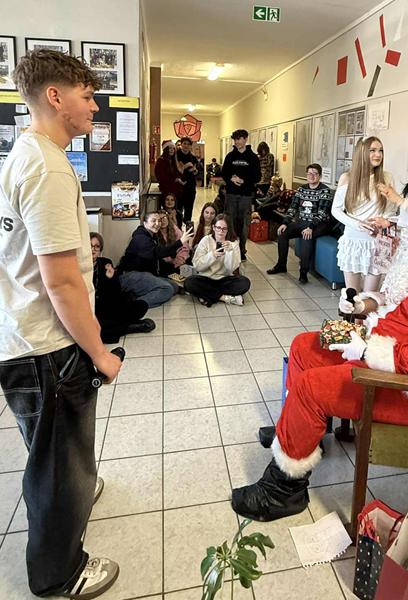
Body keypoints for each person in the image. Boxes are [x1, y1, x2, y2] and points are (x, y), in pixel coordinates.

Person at [231, 197, 408, 522]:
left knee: (310, 387)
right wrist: (362, 305)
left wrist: (366, 351)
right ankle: (300, 433)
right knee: (304, 346)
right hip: (385, 350)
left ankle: (283, 491)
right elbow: (397, 306)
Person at [0, 49, 122, 598]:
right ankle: (59, 574)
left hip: (22, 334)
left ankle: (75, 488)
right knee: (57, 463)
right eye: (87, 96)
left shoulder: (25, 153)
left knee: (49, 448)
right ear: (55, 96)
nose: (94, 107)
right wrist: (99, 353)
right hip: (46, 344)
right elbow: (63, 280)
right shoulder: (47, 167)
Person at [331, 137, 397, 293]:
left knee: (370, 297)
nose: (378, 155)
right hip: (353, 241)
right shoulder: (347, 178)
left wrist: (382, 222)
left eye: (380, 151)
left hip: (379, 242)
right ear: (362, 153)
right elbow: (336, 210)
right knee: (352, 296)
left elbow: (391, 210)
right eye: (372, 150)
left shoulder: (387, 177)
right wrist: (357, 224)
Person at [267, 164, 334, 284]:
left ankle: (303, 272)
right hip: (302, 222)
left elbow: (322, 213)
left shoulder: (325, 191)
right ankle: (281, 265)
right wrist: (285, 223)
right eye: (309, 173)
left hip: (320, 225)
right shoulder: (301, 189)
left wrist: (310, 227)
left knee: (306, 236)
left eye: (315, 174)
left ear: (320, 176)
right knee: (283, 233)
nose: (311, 176)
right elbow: (293, 208)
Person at [117, 211, 193, 307]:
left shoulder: (151, 236)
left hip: (146, 274)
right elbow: (157, 253)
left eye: (159, 220)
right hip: (131, 275)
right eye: (153, 221)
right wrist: (180, 242)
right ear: (145, 223)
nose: (157, 224)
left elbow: (158, 260)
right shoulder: (140, 238)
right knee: (167, 289)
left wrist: (175, 264)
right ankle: (135, 306)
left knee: (174, 286)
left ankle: (134, 294)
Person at [90, 233, 156, 343]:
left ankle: (119, 325)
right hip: (91, 309)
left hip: (108, 306)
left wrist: (111, 278)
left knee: (141, 306)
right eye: (90, 246)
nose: (93, 249)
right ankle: (129, 328)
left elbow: (115, 292)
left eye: (97, 246)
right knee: (93, 327)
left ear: (100, 249)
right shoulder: (79, 266)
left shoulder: (105, 262)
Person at [184, 213, 251, 307]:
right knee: (189, 283)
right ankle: (225, 298)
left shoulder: (233, 243)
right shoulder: (206, 240)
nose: (221, 231)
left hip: (224, 278)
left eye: (224, 229)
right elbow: (197, 266)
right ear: (213, 227)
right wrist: (212, 255)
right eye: (218, 228)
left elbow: (231, 269)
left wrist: (229, 252)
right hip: (206, 278)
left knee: (245, 283)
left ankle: (206, 295)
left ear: (228, 229)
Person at [221, 129, 261, 261]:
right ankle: (231, 247)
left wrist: (243, 180)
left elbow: (257, 176)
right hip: (231, 195)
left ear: (245, 139)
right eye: (235, 139)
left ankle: (242, 249)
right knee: (230, 222)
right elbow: (224, 173)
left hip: (246, 195)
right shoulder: (230, 156)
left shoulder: (253, 157)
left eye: (239, 139)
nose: (237, 142)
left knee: (244, 224)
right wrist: (231, 179)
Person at [157, 209, 190, 280]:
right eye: (160, 219)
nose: (163, 221)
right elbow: (160, 252)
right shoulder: (156, 232)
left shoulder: (174, 228)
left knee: (188, 267)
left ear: (167, 218)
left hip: (178, 257)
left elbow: (184, 245)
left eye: (164, 217)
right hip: (166, 261)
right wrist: (173, 261)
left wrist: (181, 257)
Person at [176, 136, 199, 223]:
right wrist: (186, 165)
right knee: (178, 210)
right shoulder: (175, 156)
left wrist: (195, 170)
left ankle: (188, 228)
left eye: (188, 144)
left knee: (189, 210)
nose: (186, 146)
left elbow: (196, 171)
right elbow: (175, 170)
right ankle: (178, 228)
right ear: (181, 144)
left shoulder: (193, 157)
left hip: (190, 187)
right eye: (184, 143)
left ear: (190, 146)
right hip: (179, 187)